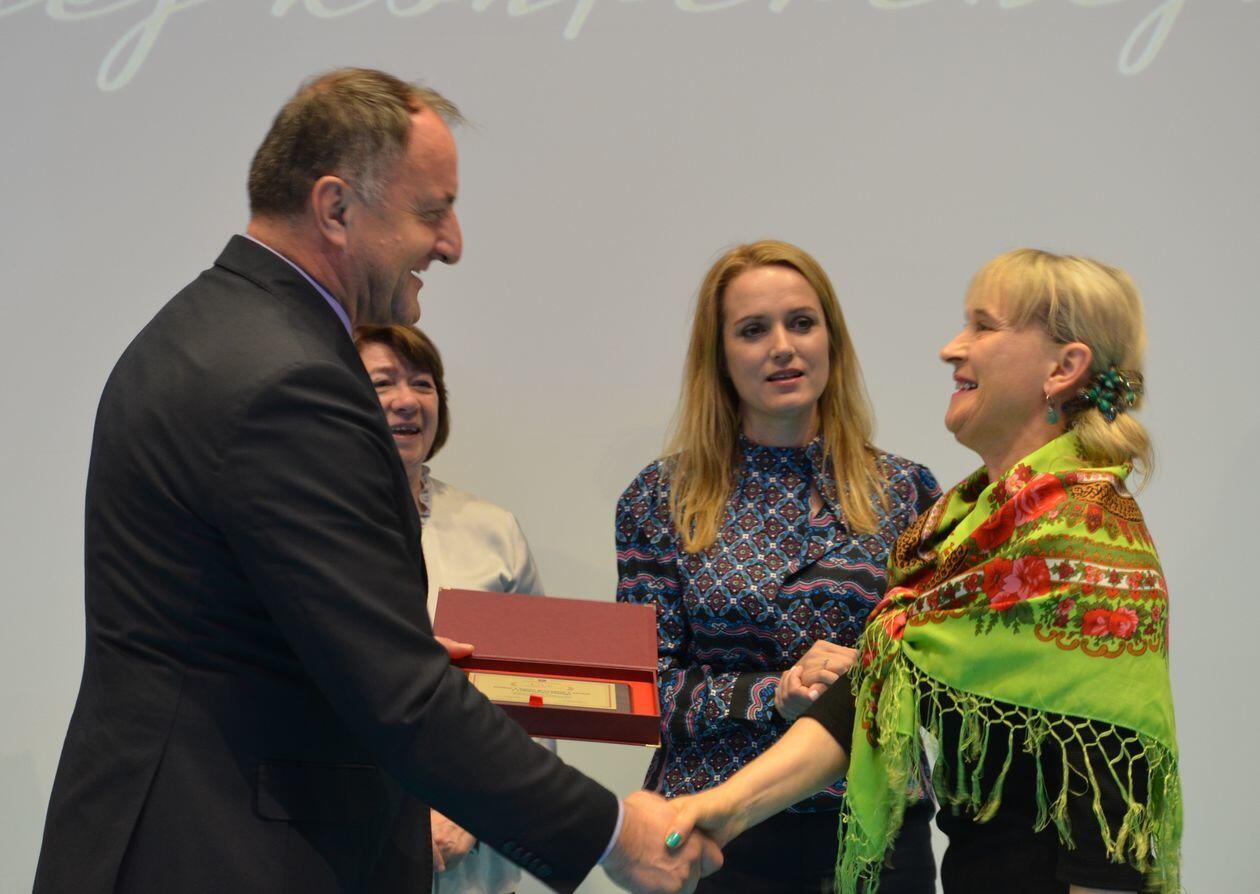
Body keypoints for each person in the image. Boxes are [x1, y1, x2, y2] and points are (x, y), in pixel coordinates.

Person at [33, 68, 717, 894]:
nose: (452, 243)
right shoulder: (289, 379)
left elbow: (247, 626)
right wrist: (609, 833)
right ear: (335, 209)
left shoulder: (202, 331)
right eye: (432, 211)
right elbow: (401, 699)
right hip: (227, 853)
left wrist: (386, 645)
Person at [669, 248, 1181, 894]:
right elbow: (875, 689)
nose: (951, 348)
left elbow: (1109, 797)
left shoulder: (1082, 533)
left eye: (983, 326)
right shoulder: (972, 525)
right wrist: (717, 810)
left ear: (1063, 368)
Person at [615, 240, 940, 892]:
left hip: (876, 826)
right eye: (753, 330)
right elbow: (639, 691)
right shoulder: (660, 498)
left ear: (831, 339)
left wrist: (866, 674)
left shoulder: (907, 493)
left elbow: (937, 669)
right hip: (719, 835)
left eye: (801, 323)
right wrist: (773, 694)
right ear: (719, 357)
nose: (783, 347)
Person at [355, 322, 549, 894]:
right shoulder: (310, 527)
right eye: (382, 383)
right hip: (346, 835)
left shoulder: (492, 530)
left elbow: (536, 698)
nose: (407, 401)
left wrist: (476, 809)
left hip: (473, 856)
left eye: (423, 383)